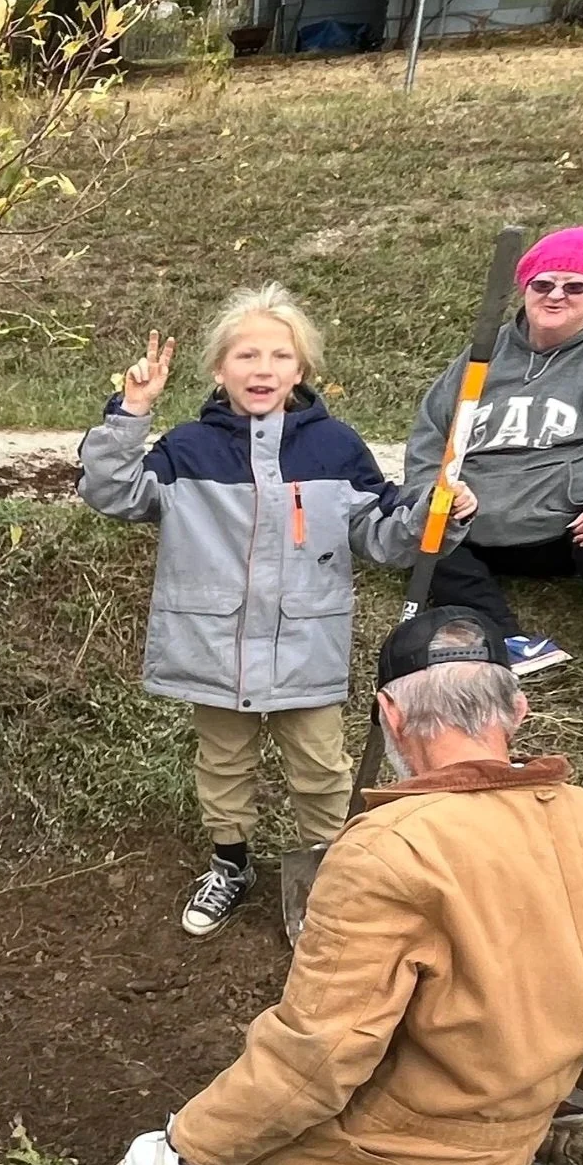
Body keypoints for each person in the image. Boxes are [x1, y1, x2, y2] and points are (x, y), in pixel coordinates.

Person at [101, 609, 583, 1165]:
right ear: (517, 708)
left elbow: (320, 1055)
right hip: (520, 1129)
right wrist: (578, 1097)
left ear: (389, 713)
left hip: (407, 1145)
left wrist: (185, 1147)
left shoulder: (389, 851)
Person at [77, 284, 474, 937]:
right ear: (218, 369)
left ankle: (332, 873)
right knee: (223, 764)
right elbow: (110, 491)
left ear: (301, 369)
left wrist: (439, 514)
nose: (262, 369)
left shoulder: (335, 447)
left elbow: (383, 534)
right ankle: (230, 864)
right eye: (246, 355)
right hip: (216, 648)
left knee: (321, 769)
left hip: (304, 649)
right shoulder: (188, 449)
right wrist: (132, 412)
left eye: (279, 356)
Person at [403, 226, 583, 750]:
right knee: (424, 533)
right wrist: (435, 493)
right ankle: (506, 638)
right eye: (543, 284)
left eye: (574, 286)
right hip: (479, 524)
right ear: (525, 288)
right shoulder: (485, 352)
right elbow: (430, 435)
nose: (556, 296)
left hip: (569, 526)